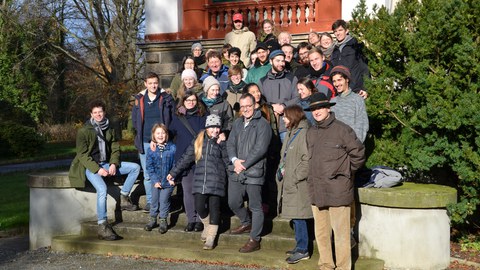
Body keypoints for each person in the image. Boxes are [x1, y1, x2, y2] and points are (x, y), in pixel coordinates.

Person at [306, 92, 366, 270]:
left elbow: (359, 154)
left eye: (319, 108)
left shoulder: (342, 129)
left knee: (341, 234)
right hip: (317, 189)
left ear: (327, 108)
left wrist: (345, 173)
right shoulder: (310, 132)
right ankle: (325, 265)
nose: (316, 111)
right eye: (313, 109)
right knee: (322, 233)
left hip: (338, 190)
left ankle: (343, 267)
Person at [69, 100, 141, 241]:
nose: (98, 115)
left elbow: (115, 147)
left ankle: (124, 197)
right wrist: (98, 170)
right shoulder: (84, 131)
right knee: (102, 189)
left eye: (100, 112)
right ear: (91, 114)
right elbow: (82, 155)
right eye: (95, 112)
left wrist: (113, 164)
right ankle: (102, 225)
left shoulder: (109, 128)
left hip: (107, 164)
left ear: (104, 112)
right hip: (91, 167)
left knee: (135, 168)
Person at [167, 114, 229, 250]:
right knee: (200, 207)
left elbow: (227, 161)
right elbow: (186, 158)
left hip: (217, 181)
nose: (215, 130)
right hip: (200, 180)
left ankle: (211, 238)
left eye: (217, 127)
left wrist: (223, 144)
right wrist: (173, 172)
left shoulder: (222, 142)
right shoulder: (199, 140)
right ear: (207, 127)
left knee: (214, 209)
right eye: (212, 127)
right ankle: (206, 226)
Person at [226, 93, 272, 253]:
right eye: (243, 106)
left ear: (255, 106)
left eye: (249, 106)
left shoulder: (263, 124)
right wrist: (234, 160)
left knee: (255, 206)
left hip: (254, 171)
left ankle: (255, 239)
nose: (246, 109)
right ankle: (246, 222)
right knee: (233, 201)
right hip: (236, 169)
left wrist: (244, 164)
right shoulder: (238, 123)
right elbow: (230, 143)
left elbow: (260, 149)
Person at [132, 72, 174, 212]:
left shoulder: (165, 98)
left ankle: (164, 202)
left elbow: (171, 117)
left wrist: (160, 138)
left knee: (164, 172)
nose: (153, 85)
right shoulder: (140, 99)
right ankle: (151, 202)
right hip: (144, 141)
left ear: (158, 82)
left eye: (155, 82)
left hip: (162, 140)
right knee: (148, 174)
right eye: (150, 83)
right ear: (145, 84)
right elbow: (135, 120)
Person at [277, 105, 312, 264]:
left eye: (285, 116)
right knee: (297, 217)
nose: (283, 119)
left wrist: (295, 176)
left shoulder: (303, 133)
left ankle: (303, 249)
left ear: (293, 117)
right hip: (291, 182)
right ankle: (300, 246)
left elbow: (307, 160)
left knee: (300, 217)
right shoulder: (293, 132)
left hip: (298, 184)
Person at [168, 90, 207, 232]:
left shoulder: (203, 116)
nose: (191, 102)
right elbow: (169, 133)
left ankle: (200, 220)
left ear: (197, 101)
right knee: (187, 191)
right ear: (183, 102)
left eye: (193, 100)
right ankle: (191, 219)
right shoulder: (178, 118)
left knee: (200, 192)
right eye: (188, 100)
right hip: (184, 159)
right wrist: (156, 139)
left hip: (200, 158)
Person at [243, 83, 280, 216]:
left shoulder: (267, 108)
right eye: (253, 92)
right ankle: (252, 208)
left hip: (267, 151)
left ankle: (266, 208)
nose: (257, 94)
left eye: (257, 91)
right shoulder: (244, 110)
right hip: (249, 152)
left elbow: (273, 129)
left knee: (266, 182)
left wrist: (273, 150)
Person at [259, 49, 298, 142]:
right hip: (269, 125)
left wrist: (284, 106)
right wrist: (272, 107)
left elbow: (297, 97)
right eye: (277, 61)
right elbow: (260, 100)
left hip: (287, 125)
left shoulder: (292, 79)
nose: (281, 63)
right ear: (270, 61)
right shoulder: (262, 81)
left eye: (282, 61)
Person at [144, 124, 176, 234]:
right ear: (154, 135)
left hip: (168, 181)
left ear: (166, 134)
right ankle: (152, 219)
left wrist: (173, 176)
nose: (160, 135)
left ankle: (163, 220)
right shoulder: (151, 149)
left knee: (164, 201)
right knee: (154, 201)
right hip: (156, 181)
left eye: (163, 133)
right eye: (158, 133)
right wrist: (154, 180)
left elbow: (175, 164)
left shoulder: (172, 148)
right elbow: (149, 167)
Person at [331, 19, 370, 99]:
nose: (338, 33)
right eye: (335, 31)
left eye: (340, 30)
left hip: (356, 90)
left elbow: (364, 68)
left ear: (346, 30)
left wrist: (365, 88)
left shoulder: (356, 45)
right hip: (340, 91)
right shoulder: (334, 49)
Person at [330, 65, 369, 143]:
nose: (337, 84)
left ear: (347, 79)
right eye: (334, 81)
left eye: (339, 80)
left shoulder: (357, 99)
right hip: (335, 148)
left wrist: (354, 146)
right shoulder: (331, 102)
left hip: (352, 148)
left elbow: (362, 126)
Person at [200, 76, 233, 140]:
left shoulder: (224, 104)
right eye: (213, 90)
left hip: (218, 137)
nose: (215, 93)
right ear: (207, 90)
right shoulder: (200, 103)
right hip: (202, 137)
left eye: (217, 90)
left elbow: (229, 120)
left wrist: (224, 132)